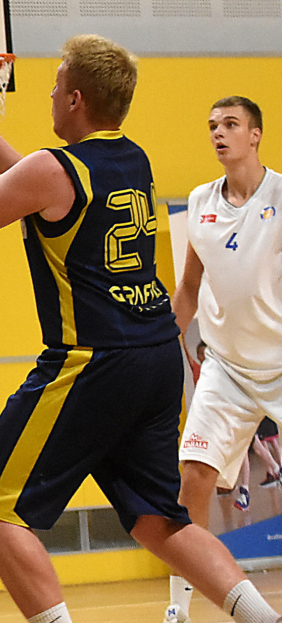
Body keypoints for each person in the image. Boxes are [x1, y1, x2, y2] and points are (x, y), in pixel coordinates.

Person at [0, 35, 282, 623]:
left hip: (93, 360)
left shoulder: (56, 168)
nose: (48, 94)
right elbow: (42, 191)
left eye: (54, 86)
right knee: (159, 520)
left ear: (74, 99)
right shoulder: (132, 157)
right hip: (154, 355)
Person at [166, 96, 282, 623]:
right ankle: (179, 608)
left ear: (255, 134)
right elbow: (189, 287)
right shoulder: (199, 201)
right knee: (192, 476)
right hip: (227, 369)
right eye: (212, 125)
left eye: (231, 125)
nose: (219, 133)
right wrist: (161, 341)